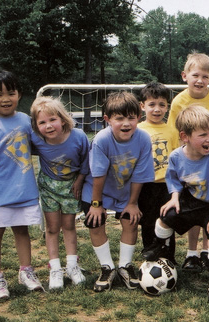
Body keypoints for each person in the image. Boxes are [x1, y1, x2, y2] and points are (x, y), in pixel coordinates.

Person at [142, 105, 209, 305]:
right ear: (185, 137)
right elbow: (172, 178)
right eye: (203, 135)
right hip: (193, 199)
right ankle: (160, 248)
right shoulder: (175, 156)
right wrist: (174, 197)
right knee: (165, 218)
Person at [0, 68, 44, 299]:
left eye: (10, 93)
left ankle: (26, 272)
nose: (5, 99)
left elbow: (41, 146)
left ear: (19, 95)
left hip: (24, 189)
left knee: (22, 230)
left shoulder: (26, 120)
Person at [167, 52, 209, 272]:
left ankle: (207, 252)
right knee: (192, 210)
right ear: (185, 76)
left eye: (205, 76)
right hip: (189, 164)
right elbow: (175, 137)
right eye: (195, 75)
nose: (200, 80)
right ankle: (192, 253)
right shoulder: (179, 101)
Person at [80, 91, 154, 292]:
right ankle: (107, 268)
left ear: (139, 117)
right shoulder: (102, 139)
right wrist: (96, 204)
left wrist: (132, 203)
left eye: (131, 117)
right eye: (119, 118)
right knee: (95, 223)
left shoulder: (144, 139)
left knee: (130, 220)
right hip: (98, 190)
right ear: (107, 119)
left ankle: (125, 266)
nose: (126, 123)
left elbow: (140, 174)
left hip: (126, 190)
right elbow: (98, 174)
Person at [29, 96, 90, 290]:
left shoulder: (78, 137)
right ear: (36, 126)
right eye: (42, 122)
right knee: (53, 227)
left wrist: (79, 181)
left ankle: (72, 266)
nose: (48, 126)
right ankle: (54, 268)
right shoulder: (37, 141)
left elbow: (86, 163)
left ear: (63, 119)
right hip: (49, 188)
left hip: (72, 186)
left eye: (52, 120)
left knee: (69, 226)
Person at [137, 82, 180, 264]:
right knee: (147, 223)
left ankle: (168, 257)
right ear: (142, 106)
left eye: (162, 105)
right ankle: (150, 254)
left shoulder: (172, 130)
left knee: (167, 220)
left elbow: (178, 158)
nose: (157, 109)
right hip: (145, 185)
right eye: (152, 104)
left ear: (167, 107)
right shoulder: (137, 130)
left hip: (166, 185)